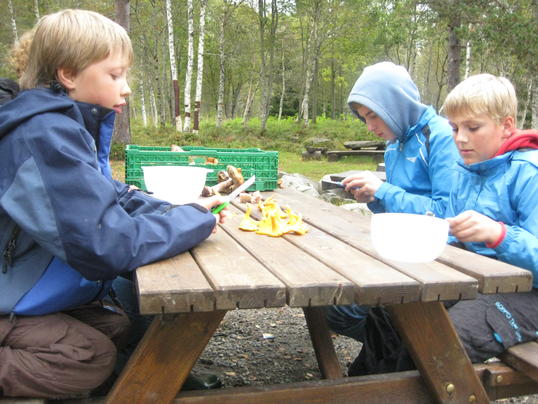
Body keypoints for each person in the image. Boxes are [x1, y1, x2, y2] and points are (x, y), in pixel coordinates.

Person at [0, 9, 227, 399]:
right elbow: (103, 244)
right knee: (91, 356)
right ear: (68, 74)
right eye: (114, 74)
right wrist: (189, 223)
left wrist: (172, 210)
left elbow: (107, 193)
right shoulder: (44, 133)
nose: (125, 88)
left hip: (23, 281)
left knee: (114, 325)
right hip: (8, 292)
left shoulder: (64, 124)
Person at [326, 61, 460, 369]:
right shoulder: (394, 143)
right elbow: (399, 208)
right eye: (364, 119)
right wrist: (373, 198)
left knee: (348, 310)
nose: (370, 126)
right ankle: (405, 350)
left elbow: (446, 213)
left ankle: (413, 351)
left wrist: (383, 191)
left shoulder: (439, 135)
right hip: (403, 251)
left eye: (374, 114)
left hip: (441, 257)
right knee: (332, 305)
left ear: (396, 103)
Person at [443, 73, 538, 363]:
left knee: (446, 338)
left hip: (530, 293)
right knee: (397, 310)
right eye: (454, 127)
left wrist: (499, 235)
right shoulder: (467, 169)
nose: (460, 138)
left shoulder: (529, 173)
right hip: (484, 277)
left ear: (506, 126)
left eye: (473, 127)